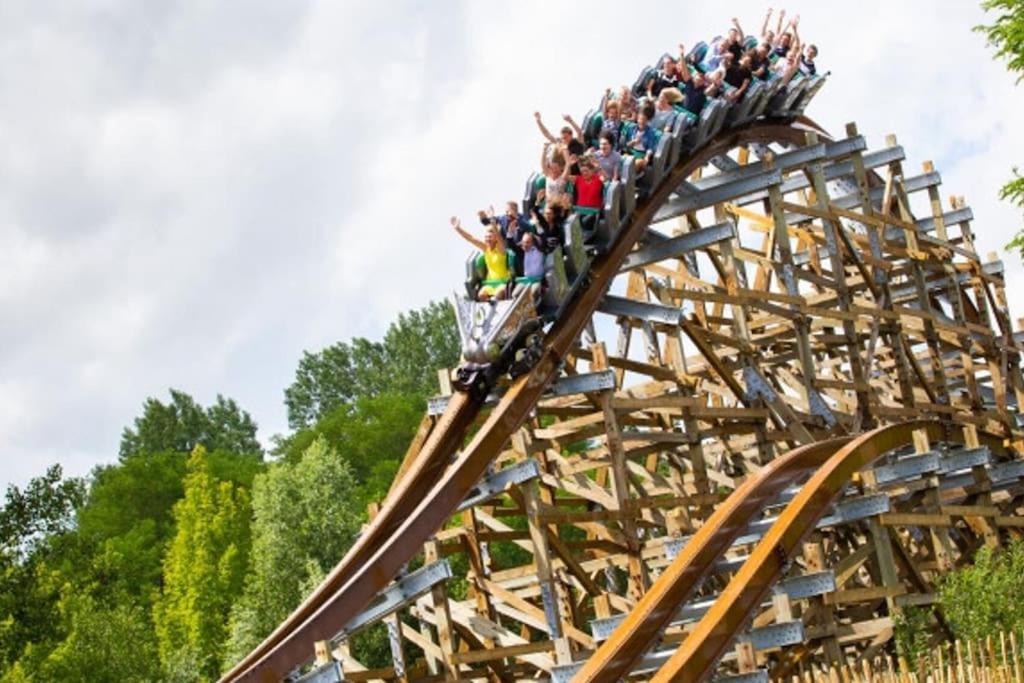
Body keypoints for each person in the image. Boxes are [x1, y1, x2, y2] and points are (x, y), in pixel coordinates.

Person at [451, 217, 514, 301]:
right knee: (481, 295)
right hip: (489, 283)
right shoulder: (486, 249)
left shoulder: (500, 249)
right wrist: (458, 229)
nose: (487, 239)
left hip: (502, 282)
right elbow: (471, 238)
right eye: (486, 237)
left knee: (498, 294)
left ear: (495, 238)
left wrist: (493, 224)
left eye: (490, 237)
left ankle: (495, 302)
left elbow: (500, 239)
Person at [478, 203, 532, 275]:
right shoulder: (503, 218)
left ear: (515, 210)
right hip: (506, 248)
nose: (507, 214)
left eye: (509, 211)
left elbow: (528, 227)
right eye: (506, 212)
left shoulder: (522, 218)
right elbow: (489, 222)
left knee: (517, 255)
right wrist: (483, 217)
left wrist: (516, 217)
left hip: (521, 249)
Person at [573, 159, 605, 230]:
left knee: (585, 221)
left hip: (593, 211)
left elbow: (606, 178)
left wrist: (599, 168)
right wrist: (568, 163)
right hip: (580, 211)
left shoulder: (598, 179)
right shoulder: (578, 179)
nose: (584, 173)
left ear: (592, 171)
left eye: (586, 171)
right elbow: (564, 177)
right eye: (582, 171)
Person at [514, 232, 547, 301]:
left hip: (538, 280)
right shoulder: (522, 252)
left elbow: (543, 239)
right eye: (523, 242)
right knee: (515, 294)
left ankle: (535, 309)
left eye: (527, 242)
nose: (525, 244)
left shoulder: (539, 249)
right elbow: (512, 245)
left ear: (533, 243)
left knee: (532, 293)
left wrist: (536, 235)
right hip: (526, 280)